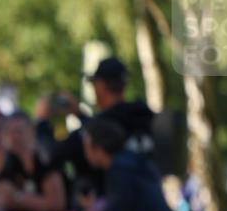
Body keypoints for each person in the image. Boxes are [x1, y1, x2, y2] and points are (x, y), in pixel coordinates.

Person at [36, 56, 154, 197]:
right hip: (146, 199)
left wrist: (42, 120)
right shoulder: (143, 117)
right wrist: (80, 115)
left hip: (106, 206)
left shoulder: (100, 129)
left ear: (101, 85)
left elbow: (51, 153)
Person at [81, 118, 175, 211]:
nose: (86, 155)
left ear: (99, 149)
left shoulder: (121, 169)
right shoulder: (131, 161)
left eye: (87, 149)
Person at [0, 111, 66, 211]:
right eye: (9, 132)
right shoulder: (9, 164)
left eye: (19, 131)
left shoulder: (45, 159)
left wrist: (18, 197)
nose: (14, 137)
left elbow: (56, 204)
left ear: (32, 131)